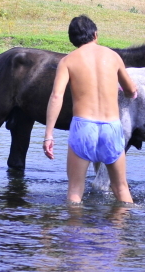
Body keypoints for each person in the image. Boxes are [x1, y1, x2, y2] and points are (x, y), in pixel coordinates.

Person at [43, 15, 139, 204]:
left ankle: (76, 232)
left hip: (83, 127)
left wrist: (48, 135)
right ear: (95, 34)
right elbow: (131, 90)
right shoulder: (113, 57)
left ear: (72, 40)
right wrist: (128, 94)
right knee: (121, 188)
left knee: (75, 191)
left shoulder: (68, 61)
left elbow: (56, 96)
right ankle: (121, 232)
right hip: (111, 126)